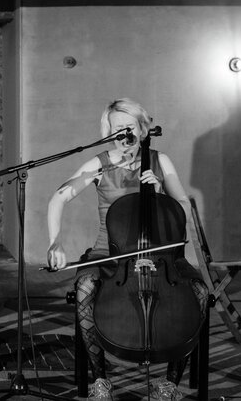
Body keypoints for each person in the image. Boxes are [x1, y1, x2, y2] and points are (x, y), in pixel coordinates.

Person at [46, 98, 207, 401]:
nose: (123, 134)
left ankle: (171, 382)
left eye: (129, 127)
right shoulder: (100, 163)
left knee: (197, 290)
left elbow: (184, 206)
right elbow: (58, 199)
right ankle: (100, 380)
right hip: (110, 253)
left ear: (143, 130)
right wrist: (55, 241)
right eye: (116, 128)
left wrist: (160, 191)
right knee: (85, 287)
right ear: (108, 131)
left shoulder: (161, 160)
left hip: (162, 254)